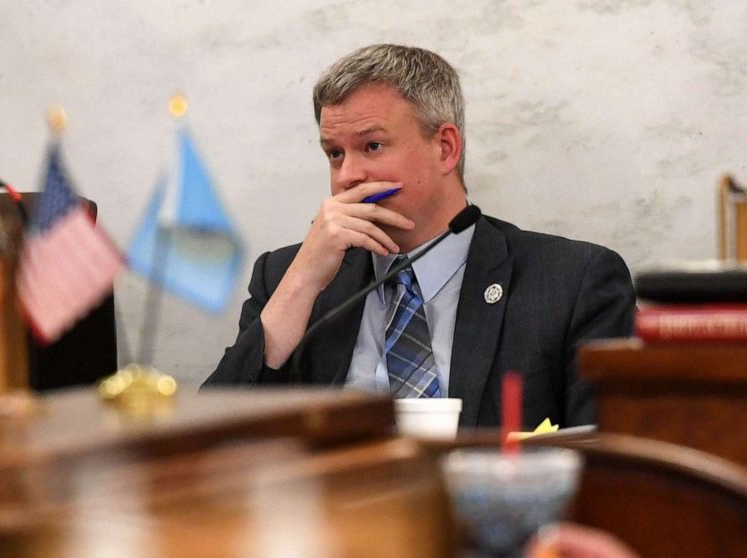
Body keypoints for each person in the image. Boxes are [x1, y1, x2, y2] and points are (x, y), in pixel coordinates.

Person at [202, 44, 635, 428]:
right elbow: (209, 445)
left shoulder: (572, 282)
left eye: (372, 146)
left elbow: (612, 464)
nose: (348, 176)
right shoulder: (288, 278)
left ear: (445, 147)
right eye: (335, 153)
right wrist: (302, 283)